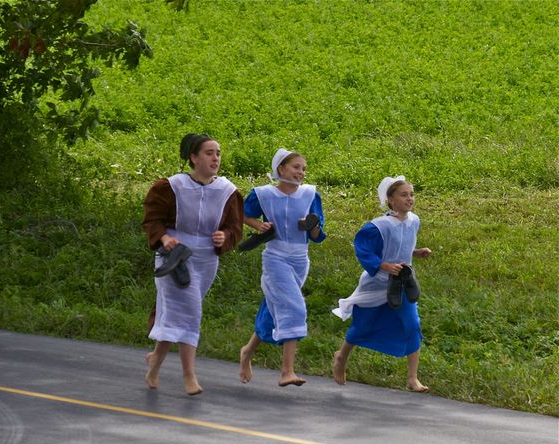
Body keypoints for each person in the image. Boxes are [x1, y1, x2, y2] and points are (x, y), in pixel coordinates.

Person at [142, 133, 243, 395]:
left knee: (178, 313)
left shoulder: (227, 191)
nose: (215, 158)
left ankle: (155, 364)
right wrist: (164, 237)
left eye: (218, 153)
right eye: (209, 152)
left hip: (207, 258)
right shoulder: (171, 186)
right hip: (175, 255)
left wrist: (225, 236)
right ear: (193, 157)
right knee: (191, 311)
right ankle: (189, 376)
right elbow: (152, 219)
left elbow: (234, 227)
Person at [331, 176, 432, 392]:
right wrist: (385, 266)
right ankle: (341, 357)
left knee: (412, 324)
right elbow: (365, 251)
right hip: (377, 283)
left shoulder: (414, 221)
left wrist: (416, 252)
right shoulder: (378, 227)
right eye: (403, 195)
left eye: (411, 194)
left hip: (402, 282)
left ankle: (412, 378)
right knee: (362, 326)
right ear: (390, 200)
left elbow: (401, 246)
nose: (410, 198)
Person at [238, 148, 326, 387]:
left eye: (304, 168)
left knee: (274, 307)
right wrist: (260, 226)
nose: (301, 172)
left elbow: (318, 235)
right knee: (294, 306)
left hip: (300, 260)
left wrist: (312, 227)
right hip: (275, 257)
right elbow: (241, 214)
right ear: (281, 169)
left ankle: (247, 351)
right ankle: (287, 371)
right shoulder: (263, 194)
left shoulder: (310, 195)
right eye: (297, 167)